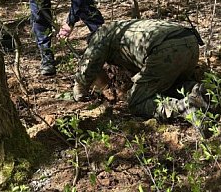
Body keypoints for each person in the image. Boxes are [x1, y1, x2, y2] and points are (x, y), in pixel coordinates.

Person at [72, 19, 210, 132]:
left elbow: (89, 62)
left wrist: (79, 90)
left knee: (136, 101)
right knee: (169, 85)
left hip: (164, 48)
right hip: (189, 40)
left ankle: (186, 106)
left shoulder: (101, 36)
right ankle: (200, 92)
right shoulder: (124, 28)